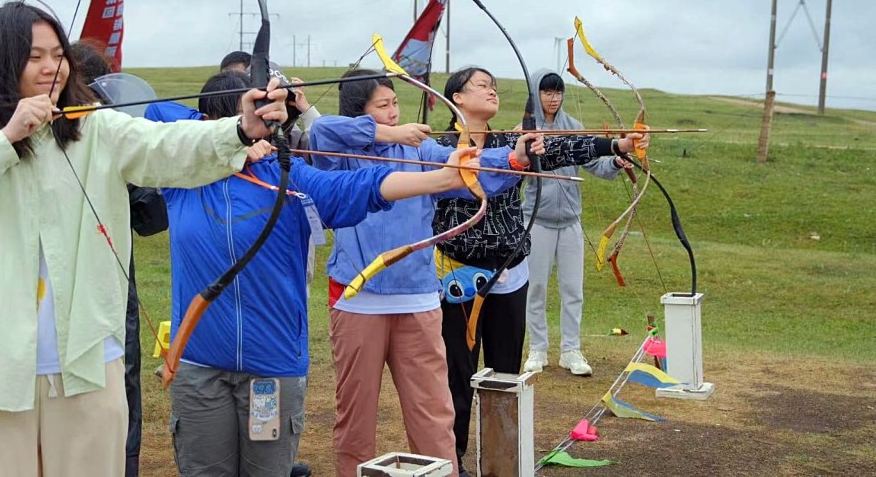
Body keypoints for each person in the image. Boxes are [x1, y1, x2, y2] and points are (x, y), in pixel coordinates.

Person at [0, 0, 287, 477]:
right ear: (0, 63)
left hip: (88, 361)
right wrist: (5, 140)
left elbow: (167, 147)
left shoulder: (98, 129)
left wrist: (239, 128)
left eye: (58, 54)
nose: (51, 67)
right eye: (34, 57)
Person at [147, 70, 481, 477]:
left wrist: (444, 177)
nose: (264, 127)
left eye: (266, 117)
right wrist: (225, 141)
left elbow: (360, 186)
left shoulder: (286, 176)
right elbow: (151, 112)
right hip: (199, 364)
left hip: (271, 365)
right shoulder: (182, 178)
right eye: (252, 116)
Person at [309, 69, 542, 477]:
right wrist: (388, 135)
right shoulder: (343, 154)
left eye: (395, 103)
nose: (395, 112)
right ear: (358, 112)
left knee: (434, 413)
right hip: (358, 297)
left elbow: (467, 167)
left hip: (417, 296)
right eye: (383, 106)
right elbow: (323, 131)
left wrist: (513, 158)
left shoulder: (423, 153)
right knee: (355, 417)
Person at [432, 67, 648, 475]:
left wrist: (616, 143)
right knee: (456, 378)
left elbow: (563, 150)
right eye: (481, 85)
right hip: (457, 278)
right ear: (457, 98)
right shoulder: (437, 147)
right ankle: (452, 461)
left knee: (505, 379)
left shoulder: (512, 141)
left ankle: (501, 462)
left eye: (493, 84)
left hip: (509, 275)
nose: (491, 90)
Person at [70, 39, 170, 477]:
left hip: (111, 283)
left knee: (119, 378)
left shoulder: (113, 136)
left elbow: (148, 218)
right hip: (69, 287)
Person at [522, 69, 638, 377]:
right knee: (535, 287)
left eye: (558, 92)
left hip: (570, 221)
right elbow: (513, 168)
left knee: (573, 289)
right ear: (536, 93)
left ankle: (570, 350)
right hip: (537, 220)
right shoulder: (525, 129)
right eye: (547, 92)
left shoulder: (573, 127)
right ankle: (537, 348)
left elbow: (593, 161)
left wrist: (614, 160)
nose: (553, 98)